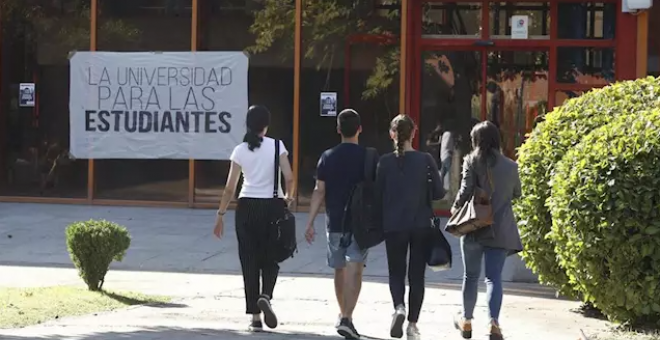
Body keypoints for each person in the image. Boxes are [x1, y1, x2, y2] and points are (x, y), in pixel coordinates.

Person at [213, 105, 295, 332]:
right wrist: (289, 198)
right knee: (271, 256)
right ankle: (266, 295)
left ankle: (255, 317)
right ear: (266, 125)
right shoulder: (278, 146)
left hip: (247, 206)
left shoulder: (240, 150)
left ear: (248, 125)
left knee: (249, 261)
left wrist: (220, 214)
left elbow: (230, 188)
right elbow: (289, 177)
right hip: (273, 206)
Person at [305, 109, 375, 340]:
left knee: (339, 268)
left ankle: (342, 314)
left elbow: (319, 191)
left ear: (338, 130)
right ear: (360, 129)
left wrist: (310, 221)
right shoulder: (367, 156)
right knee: (356, 268)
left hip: (334, 221)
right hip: (360, 222)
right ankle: (347, 317)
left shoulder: (327, 156)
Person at [451, 121, 522, 340]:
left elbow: (465, 191)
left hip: (473, 227)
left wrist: (455, 208)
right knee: (493, 279)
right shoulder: (511, 166)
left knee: (470, 277)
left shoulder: (471, 161)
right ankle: (493, 323)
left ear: (476, 141)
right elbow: (517, 194)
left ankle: (467, 321)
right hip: (499, 230)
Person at [375, 114, 444, 339]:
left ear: (391, 134)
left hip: (393, 224)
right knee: (417, 276)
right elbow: (439, 193)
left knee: (396, 272)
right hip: (421, 224)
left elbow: (377, 195)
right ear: (414, 133)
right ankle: (412, 325)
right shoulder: (426, 160)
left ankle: (399, 307)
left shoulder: (384, 162)